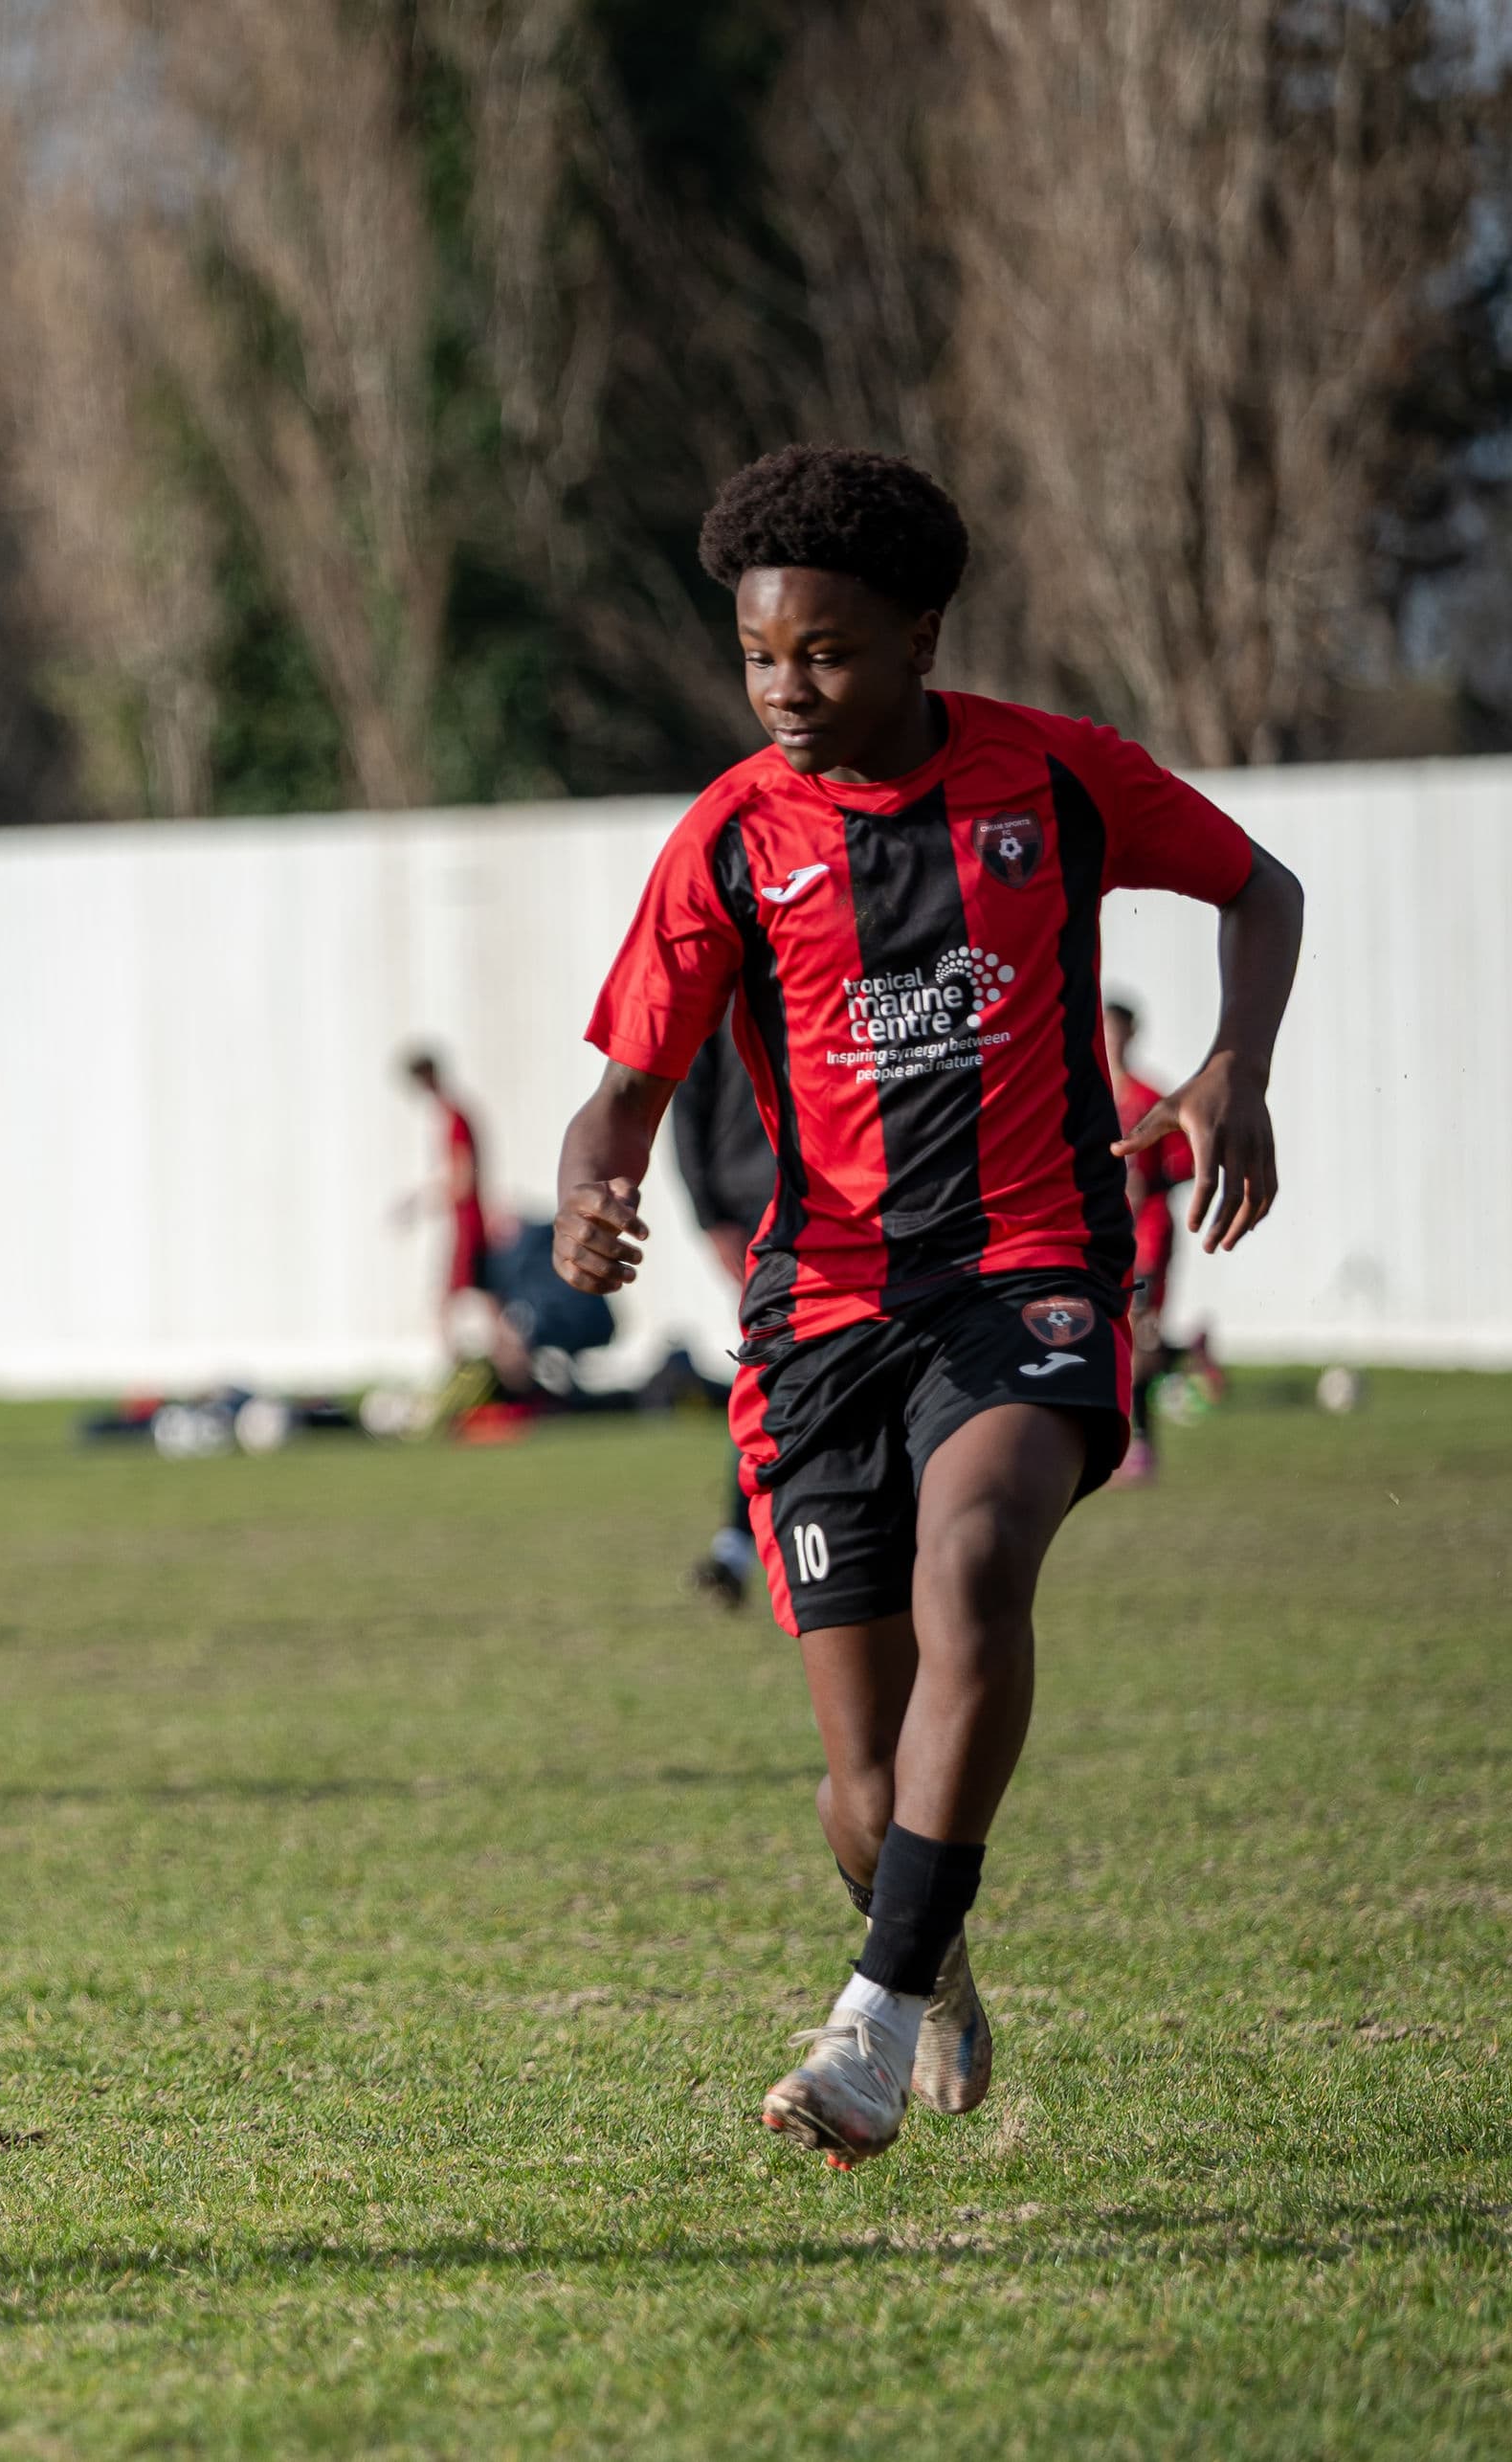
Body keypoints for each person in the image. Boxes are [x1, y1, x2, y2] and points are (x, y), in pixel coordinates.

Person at [551, 446, 1301, 2168]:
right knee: (866, 1792)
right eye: (758, 658)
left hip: (1028, 1269)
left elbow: (1262, 885)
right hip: (820, 1316)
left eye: (825, 652)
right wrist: (592, 1189)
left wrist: (1231, 1070)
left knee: (979, 1568)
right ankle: (931, 1956)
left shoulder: (1055, 778)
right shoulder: (733, 841)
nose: (787, 692)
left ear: (917, 634)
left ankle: (868, 2023)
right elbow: (623, 1090)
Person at [671, 1020, 772, 1603]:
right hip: (758, 1208)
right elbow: (684, 1102)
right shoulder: (729, 975)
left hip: (855, 1204)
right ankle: (737, 1542)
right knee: (771, 1370)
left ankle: (737, 1545)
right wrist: (711, 1216)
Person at [1102, 993, 1192, 1485]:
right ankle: (1190, 1355)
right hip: (1099, 1236)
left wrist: (1143, 1185)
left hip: (1147, 1234)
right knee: (1110, 1333)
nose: (1111, 1039)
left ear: (1131, 1035)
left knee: (1139, 1333)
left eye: (1117, 1031)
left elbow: (1182, 1165)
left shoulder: (1149, 1099)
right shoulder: (1084, 1093)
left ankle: (1140, 1444)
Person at [399, 1048, 494, 1357]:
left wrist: (422, 1202)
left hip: (468, 1223)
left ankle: (458, 1370)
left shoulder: (455, 1117)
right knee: (484, 1296)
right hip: (468, 1221)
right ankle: (507, 1367)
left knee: (447, 1303)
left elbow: (462, 1180)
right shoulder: (453, 1114)